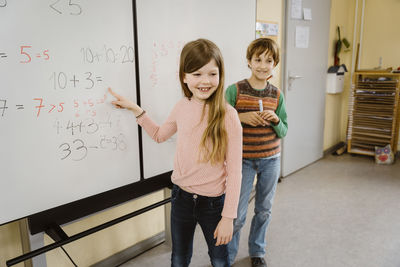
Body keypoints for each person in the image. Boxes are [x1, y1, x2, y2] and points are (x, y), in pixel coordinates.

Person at [109, 38, 243, 267]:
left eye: (212, 74)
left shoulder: (228, 116)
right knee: (179, 258)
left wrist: (229, 217)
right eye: (197, 74)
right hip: (181, 198)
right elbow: (160, 135)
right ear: (184, 76)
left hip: (213, 204)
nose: (205, 81)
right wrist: (136, 110)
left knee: (220, 259)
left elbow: (236, 171)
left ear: (221, 75)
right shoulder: (182, 107)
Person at [225, 38, 288, 267]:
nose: (263, 65)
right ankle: (227, 256)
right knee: (237, 214)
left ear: (275, 63)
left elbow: (284, 131)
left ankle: (257, 251)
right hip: (242, 161)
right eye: (258, 59)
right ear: (249, 62)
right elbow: (219, 124)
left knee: (264, 210)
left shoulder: (277, 95)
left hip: (271, 160)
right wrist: (239, 118)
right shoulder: (235, 91)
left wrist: (276, 120)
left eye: (269, 60)